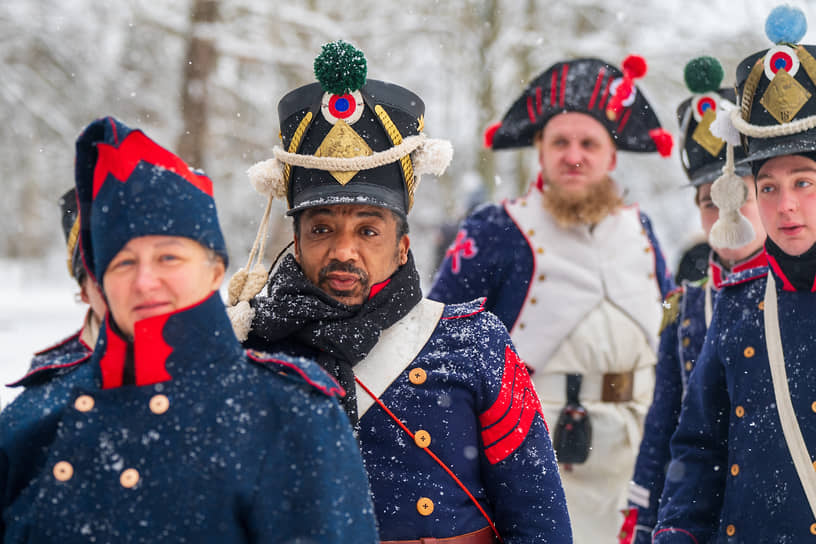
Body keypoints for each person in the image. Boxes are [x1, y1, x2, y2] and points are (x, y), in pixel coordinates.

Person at [232, 41, 572, 543]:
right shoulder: (251, 351)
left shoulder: (477, 344)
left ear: (403, 246)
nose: (343, 251)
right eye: (321, 229)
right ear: (297, 241)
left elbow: (538, 518)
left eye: (368, 231)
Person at [0, 116, 379, 542]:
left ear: (215, 269)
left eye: (168, 258)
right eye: (124, 263)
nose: (145, 281)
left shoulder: (292, 416)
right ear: (98, 283)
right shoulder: (31, 419)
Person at [428, 55, 675, 542]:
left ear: (612, 156)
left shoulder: (643, 230)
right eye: (560, 142)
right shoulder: (494, 230)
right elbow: (437, 349)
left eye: (589, 143)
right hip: (536, 461)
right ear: (539, 150)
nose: (574, 155)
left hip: (640, 462)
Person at [653, 6, 816, 542]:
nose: (786, 206)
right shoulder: (740, 302)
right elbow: (698, 445)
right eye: (768, 186)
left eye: (805, 181)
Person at [618, 57, 767, 544]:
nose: (723, 212)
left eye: (736, 194)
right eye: (708, 201)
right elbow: (666, 424)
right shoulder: (685, 307)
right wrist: (645, 518)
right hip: (701, 516)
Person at [7, 188, 107, 391]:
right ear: (84, 291)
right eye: (103, 270)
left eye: (165, 259)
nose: (142, 282)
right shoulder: (51, 384)